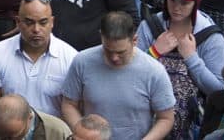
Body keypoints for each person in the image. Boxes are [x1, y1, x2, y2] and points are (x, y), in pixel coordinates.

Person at [135, 0, 224, 139]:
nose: (176, 8)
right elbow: (129, 73)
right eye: (171, 0)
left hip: (191, 126)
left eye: (184, 3)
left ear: (195, 3)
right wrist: (153, 52)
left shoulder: (211, 38)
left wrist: (192, 58)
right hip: (146, 117)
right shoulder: (149, 27)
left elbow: (219, 92)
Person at [59, 11, 175, 140]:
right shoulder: (82, 62)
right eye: (108, 50)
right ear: (101, 36)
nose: (114, 58)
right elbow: (69, 104)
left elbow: (166, 118)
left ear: (135, 40)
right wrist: (84, 135)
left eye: (121, 52)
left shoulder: (154, 71)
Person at [0, 0, 78, 119]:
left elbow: (75, 108)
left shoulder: (71, 58)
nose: (36, 29)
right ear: (18, 22)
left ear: (52, 22)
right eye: (29, 22)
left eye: (43, 22)